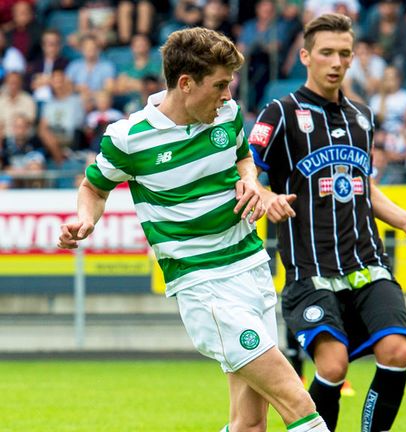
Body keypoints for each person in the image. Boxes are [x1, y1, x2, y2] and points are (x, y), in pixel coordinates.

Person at [57, 27, 329, 432]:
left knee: (250, 424)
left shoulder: (229, 115)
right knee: (301, 407)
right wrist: (85, 218)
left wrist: (251, 181)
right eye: (220, 85)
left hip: (252, 270)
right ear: (185, 84)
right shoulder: (129, 139)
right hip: (205, 285)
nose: (227, 95)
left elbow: (243, 159)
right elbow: (94, 187)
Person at [247, 14, 406, 431]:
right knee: (333, 366)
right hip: (310, 272)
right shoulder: (281, 112)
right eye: (326, 53)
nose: (336, 62)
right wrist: (262, 193)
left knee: (397, 351)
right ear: (305, 56)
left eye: (344, 53)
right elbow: (244, 165)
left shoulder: (362, 117)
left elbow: (362, 186)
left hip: (366, 263)